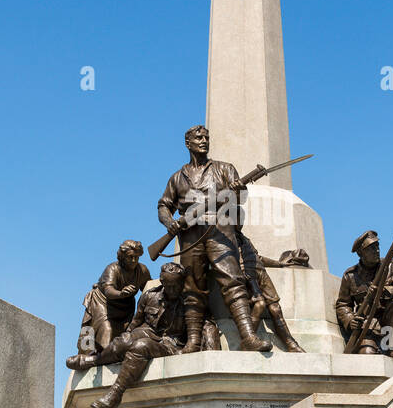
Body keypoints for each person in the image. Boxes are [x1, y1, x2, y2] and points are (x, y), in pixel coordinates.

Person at [157, 125, 271, 354]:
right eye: (198, 138)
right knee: (191, 287)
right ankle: (192, 342)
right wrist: (171, 224)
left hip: (220, 229)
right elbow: (163, 205)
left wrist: (237, 190)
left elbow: (240, 197)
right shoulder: (177, 178)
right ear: (188, 143)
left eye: (206, 137)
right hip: (189, 234)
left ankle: (248, 336)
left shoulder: (224, 169)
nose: (204, 141)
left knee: (233, 280)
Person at [88, 262, 190, 408]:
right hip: (149, 333)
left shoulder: (190, 302)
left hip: (171, 344)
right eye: (168, 285)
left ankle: (114, 395)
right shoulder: (150, 296)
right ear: (162, 281)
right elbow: (136, 321)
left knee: (141, 346)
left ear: (182, 282)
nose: (172, 290)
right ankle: (93, 360)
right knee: (125, 340)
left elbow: (200, 330)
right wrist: (127, 334)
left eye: (175, 285)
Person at [67, 240, 151, 370]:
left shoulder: (142, 270)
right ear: (122, 257)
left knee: (125, 337)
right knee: (107, 330)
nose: (134, 260)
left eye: (136, 257)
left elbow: (149, 289)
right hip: (103, 303)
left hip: (125, 307)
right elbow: (108, 290)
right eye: (130, 257)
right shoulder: (113, 268)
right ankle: (96, 360)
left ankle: (112, 359)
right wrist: (121, 293)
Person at [336, 230, 393, 361]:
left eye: (377, 246)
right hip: (367, 326)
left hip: (389, 324)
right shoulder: (350, 276)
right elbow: (343, 304)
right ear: (361, 253)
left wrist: (384, 291)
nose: (376, 251)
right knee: (367, 357)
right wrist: (350, 321)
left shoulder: (391, 266)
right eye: (371, 248)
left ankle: (392, 349)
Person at [237, 230, 303, 353]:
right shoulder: (228, 239)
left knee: (276, 309)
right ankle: (248, 340)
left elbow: (258, 258)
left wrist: (279, 264)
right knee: (260, 305)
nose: (240, 223)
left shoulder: (245, 239)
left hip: (261, 272)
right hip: (247, 274)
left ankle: (291, 344)